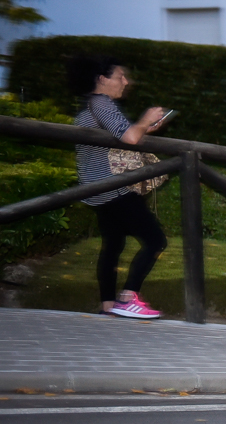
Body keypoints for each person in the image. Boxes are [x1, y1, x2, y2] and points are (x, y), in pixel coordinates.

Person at [69, 55, 170, 319]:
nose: (126, 82)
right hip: (114, 187)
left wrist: (146, 128)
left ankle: (108, 307)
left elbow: (124, 135)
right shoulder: (102, 102)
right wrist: (146, 120)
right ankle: (127, 299)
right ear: (102, 79)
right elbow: (131, 137)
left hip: (96, 189)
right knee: (155, 240)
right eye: (120, 77)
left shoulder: (89, 106)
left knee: (113, 245)